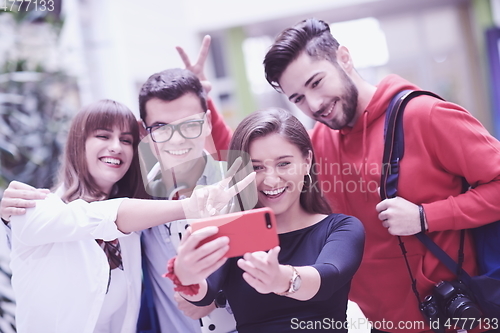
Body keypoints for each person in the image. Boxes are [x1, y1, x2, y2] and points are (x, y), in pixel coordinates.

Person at [258, 18, 500, 332]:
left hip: (458, 321)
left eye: (316, 82)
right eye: (298, 99)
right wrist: (197, 122)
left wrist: (427, 216)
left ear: (344, 58)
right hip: (383, 325)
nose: (314, 104)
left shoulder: (425, 115)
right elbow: (261, 159)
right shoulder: (319, 143)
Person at [2, 99, 253, 333]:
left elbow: (197, 159)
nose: (115, 147)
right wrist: (190, 206)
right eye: (103, 135)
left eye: (126, 140)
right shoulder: (34, 209)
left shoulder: (135, 229)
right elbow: (105, 215)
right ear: (79, 143)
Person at [171, 108, 365, 333]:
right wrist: (184, 272)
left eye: (283, 163)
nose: (271, 180)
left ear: (306, 161)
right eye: (257, 167)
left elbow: (328, 277)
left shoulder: (341, 228)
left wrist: (282, 280)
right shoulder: (231, 233)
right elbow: (201, 295)